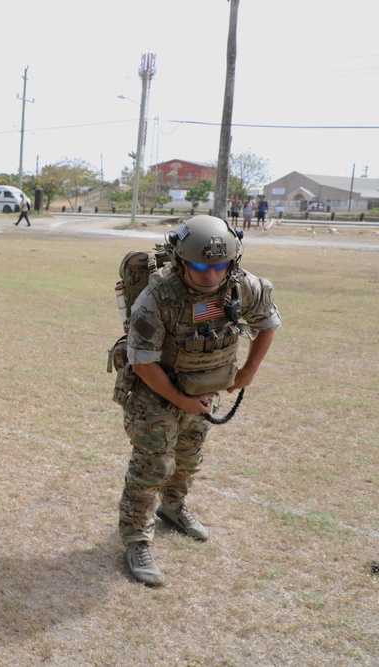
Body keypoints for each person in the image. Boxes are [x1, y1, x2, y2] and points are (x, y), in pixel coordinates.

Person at [117, 215, 280, 587]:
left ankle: (173, 507)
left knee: (189, 458)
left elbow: (268, 322)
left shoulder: (241, 286)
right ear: (181, 262)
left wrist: (248, 371)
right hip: (155, 391)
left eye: (220, 266)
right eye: (202, 266)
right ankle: (136, 539)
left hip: (202, 390)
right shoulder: (156, 297)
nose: (211, 274)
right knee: (152, 466)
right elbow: (141, 362)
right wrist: (179, 399)